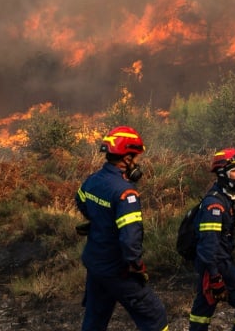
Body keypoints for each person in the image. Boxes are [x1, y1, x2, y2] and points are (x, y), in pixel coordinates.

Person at [75, 125, 170, 331]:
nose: (137, 163)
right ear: (127, 159)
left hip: (95, 264)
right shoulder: (126, 193)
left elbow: (80, 200)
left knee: (95, 319)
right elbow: (129, 239)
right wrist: (136, 266)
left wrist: (98, 221)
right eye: (136, 158)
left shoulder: (92, 180)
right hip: (117, 268)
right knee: (155, 316)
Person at [188, 148, 235, 331]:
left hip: (212, 263)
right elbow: (208, 245)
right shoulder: (214, 205)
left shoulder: (225, 198)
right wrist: (215, 277)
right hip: (217, 264)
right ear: (222, 174)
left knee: (203, 308)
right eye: (234, 171)